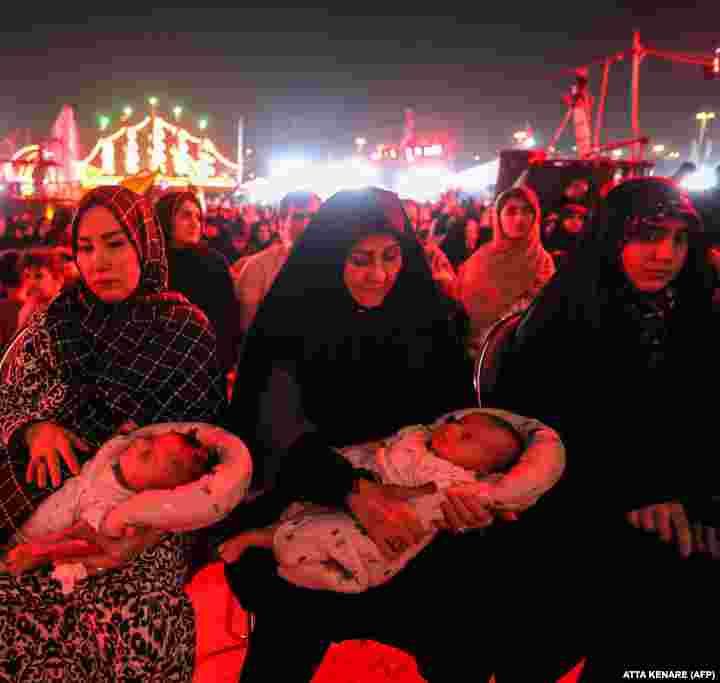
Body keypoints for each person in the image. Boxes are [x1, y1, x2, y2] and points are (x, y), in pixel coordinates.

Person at [0, 186, 228, 682]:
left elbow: (203, 451)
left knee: (134, 622)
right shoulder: (57, 322)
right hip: (31, 505)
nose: (99, 261)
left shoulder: (184, 330)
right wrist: (35, 431)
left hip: (141, 520)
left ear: (145, 244)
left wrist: (126, 507)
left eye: (116, 243)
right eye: (86, 247)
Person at [219, 188, 497, 682]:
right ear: (331, 257)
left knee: (468, 622)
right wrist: (353, 490)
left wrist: (461, 487)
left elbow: (455, 421)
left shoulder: (424, 318)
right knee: (287, 629)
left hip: (414, 508)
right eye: (361, 260)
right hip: (305, 502)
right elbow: (278, 430)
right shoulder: (290, 319)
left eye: (392, 257)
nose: (379, 275)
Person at [493, 177, 720, 679]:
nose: (666, 253)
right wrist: (639, 493)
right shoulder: (563, 315)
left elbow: (703, 418)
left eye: (679, 239)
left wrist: (700, 500)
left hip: (677, 499)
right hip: (578, 503)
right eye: (649, 236)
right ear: (613, 237)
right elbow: (547, 433)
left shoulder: (693, 311)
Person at [220, 409, 563, 593]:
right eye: (459, 423)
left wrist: (483, 510)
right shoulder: (418, 440)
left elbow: (490, 503)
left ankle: (306, 561)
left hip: (389, 537)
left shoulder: (460, 482)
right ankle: (265, 538)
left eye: (468, 438)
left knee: (350, 560)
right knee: (311, 527)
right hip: (331, 486)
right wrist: (359, 485)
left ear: (482, 468)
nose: (453, 430)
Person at [0, 428, 217, 572]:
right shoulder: (112, 457)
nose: (142, 446)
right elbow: (123, 440)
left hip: (26, 533)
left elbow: (81, 541)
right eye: (150, 441)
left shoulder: (118, 508)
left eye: (151, 458)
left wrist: (41, 552)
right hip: (30, 499)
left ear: (162, 489)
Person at [456, 186, 555, 357]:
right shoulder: (479, 259)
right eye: (511, 211)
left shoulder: (543, 263)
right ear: (498, 217)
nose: (519, 219)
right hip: (475, 358)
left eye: (526, 211)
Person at [155, 190, 242, 373]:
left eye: (198, 217)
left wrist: (225, 363)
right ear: (166, 218)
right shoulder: (153, 263)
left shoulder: (214, 262)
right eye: (186, 215)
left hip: (208, 364)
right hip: (160, 364)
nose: (195, 223)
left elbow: (228, 318)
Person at [232, 191, 321, 332]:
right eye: (298, 217)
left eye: (314, 216)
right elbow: (248, 331)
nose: (308, 223)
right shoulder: (257, 267)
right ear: (281, 222)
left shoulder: (336, 264)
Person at [0, 249, 64, 346]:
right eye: (27, 276)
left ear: (58, 278)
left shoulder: (65, 309)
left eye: (39, 276)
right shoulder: (29, 309)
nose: (31, 283)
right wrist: (23, 323)